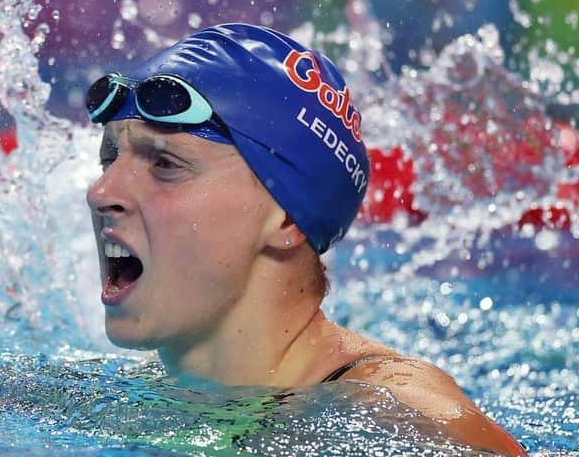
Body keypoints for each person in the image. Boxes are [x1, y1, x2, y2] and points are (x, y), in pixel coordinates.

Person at [84, 23, 525, 455]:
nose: (101, 193)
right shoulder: (123, 402)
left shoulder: (399, 416)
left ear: (287, 220)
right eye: (109, 158)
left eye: (165, 164)